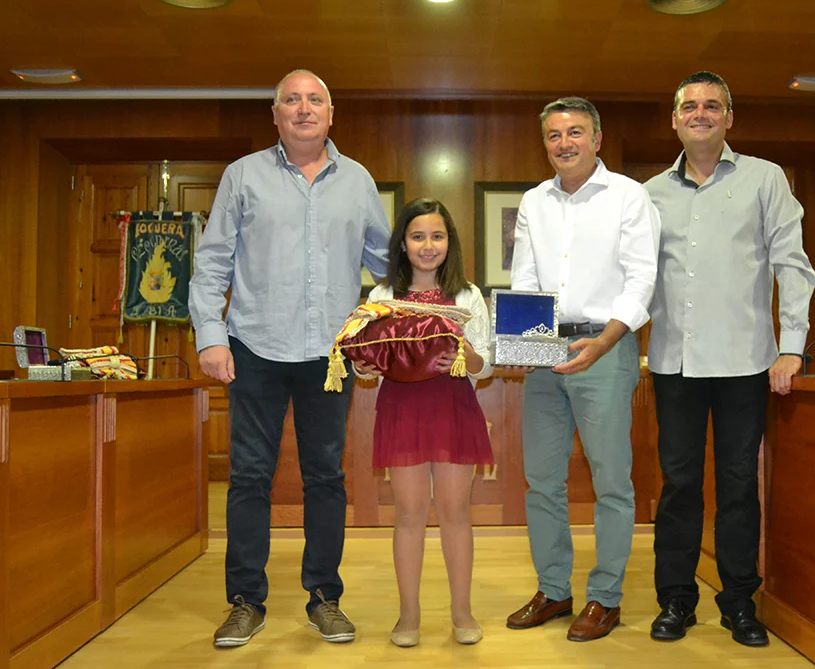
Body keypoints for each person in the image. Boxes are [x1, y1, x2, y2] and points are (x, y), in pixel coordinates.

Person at [189, 69, 391, 648]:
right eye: (291, 100)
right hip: (253, 347)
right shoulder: (242, 175)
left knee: (325, 477)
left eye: (315, 100)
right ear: (274, 114)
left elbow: (386, 264)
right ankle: (245, 601)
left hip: (328, 354)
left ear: (332, 113)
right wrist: (210, 335)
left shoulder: (356, 181)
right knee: (249, 476)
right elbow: (212, 265)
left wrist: (396, 326)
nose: (304, 109)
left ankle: (324, 597)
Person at [644, 71, 815, 647]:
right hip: (674, 364)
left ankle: (740, 601)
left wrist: (792, 344)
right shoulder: (648, 195)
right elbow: (634, 280)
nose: (700, 113)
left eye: (712, 105)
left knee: (740, 485)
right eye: (689, 105)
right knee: (678, 486)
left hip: (746, 363)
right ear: (674, 119)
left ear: (729, 118)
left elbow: (793, 265)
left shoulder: (766, 180)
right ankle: (676, 599)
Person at [505, 97, 660, 642]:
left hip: (607, 348)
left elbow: (642, 279)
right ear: (544, 143)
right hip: (545, 349)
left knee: (611, 481)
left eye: (575, 132)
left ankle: (605, 598)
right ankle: (554, 590)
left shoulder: (629, 196)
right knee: (541, 480)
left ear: (597, 138)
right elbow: (525, 277)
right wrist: (520, 345)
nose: (564, 143)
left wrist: (607, 340)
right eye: (553, 135)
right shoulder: (534, 202)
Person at [351, 197, 494, 648]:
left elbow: (484, 365)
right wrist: (364, 368)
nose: (427, 245)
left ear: (449, 242)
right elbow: (363, 356)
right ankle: (408, 614)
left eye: (437, 236)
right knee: (409, 514)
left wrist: (466, 356)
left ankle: (461, 612)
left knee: (455, 513)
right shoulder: (382, 296)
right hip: (402, 410)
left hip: (454, 408)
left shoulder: (468, 294)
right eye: (417, 236)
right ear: (403, 243)